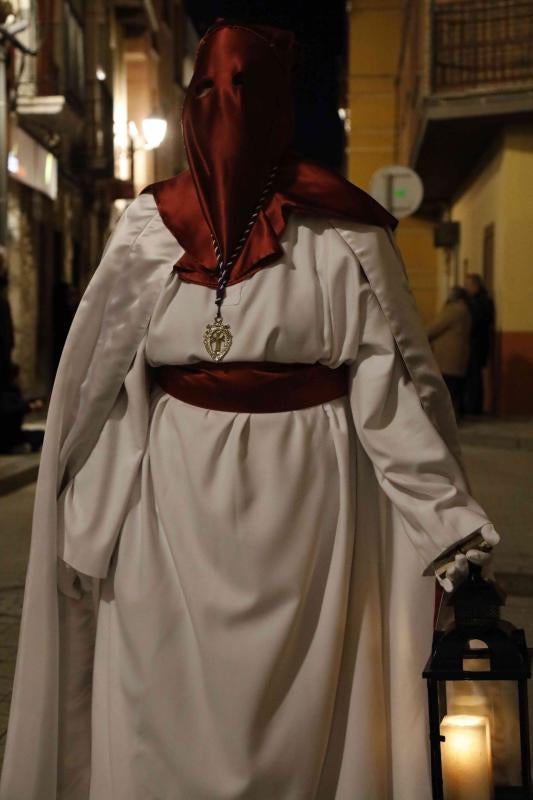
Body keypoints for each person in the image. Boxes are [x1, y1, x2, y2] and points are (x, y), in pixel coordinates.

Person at [0, 22, 500, 800]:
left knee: (312, 722)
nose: (224, 108)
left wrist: (449, 533)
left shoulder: (344, 235)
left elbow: (395, 395)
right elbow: (102, 387)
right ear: (190, 103)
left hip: (312, 514)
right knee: (157, 699)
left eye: (246, 91)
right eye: (207, 90)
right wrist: (84, 511)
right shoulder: (147, 230)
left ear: (281, 108)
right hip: (171, 512)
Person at [427, 286, 472, 419]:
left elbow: (436, 327)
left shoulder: (454, 310)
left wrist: (419, 336)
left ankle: (447, 419)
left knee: (447, 391)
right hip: (458, 357)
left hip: (448, 359)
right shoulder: (465, 310)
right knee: (455, 390)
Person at [464, 272, 495, 414]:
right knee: (476, 375)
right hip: (480, 343)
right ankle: (475, 406)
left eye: (468, 285)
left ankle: (474, 407)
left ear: (476, 285)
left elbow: (476, 322)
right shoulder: (484, 300)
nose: (466, 288)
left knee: (475, 376)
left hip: (477, 343)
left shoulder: (479, 302)